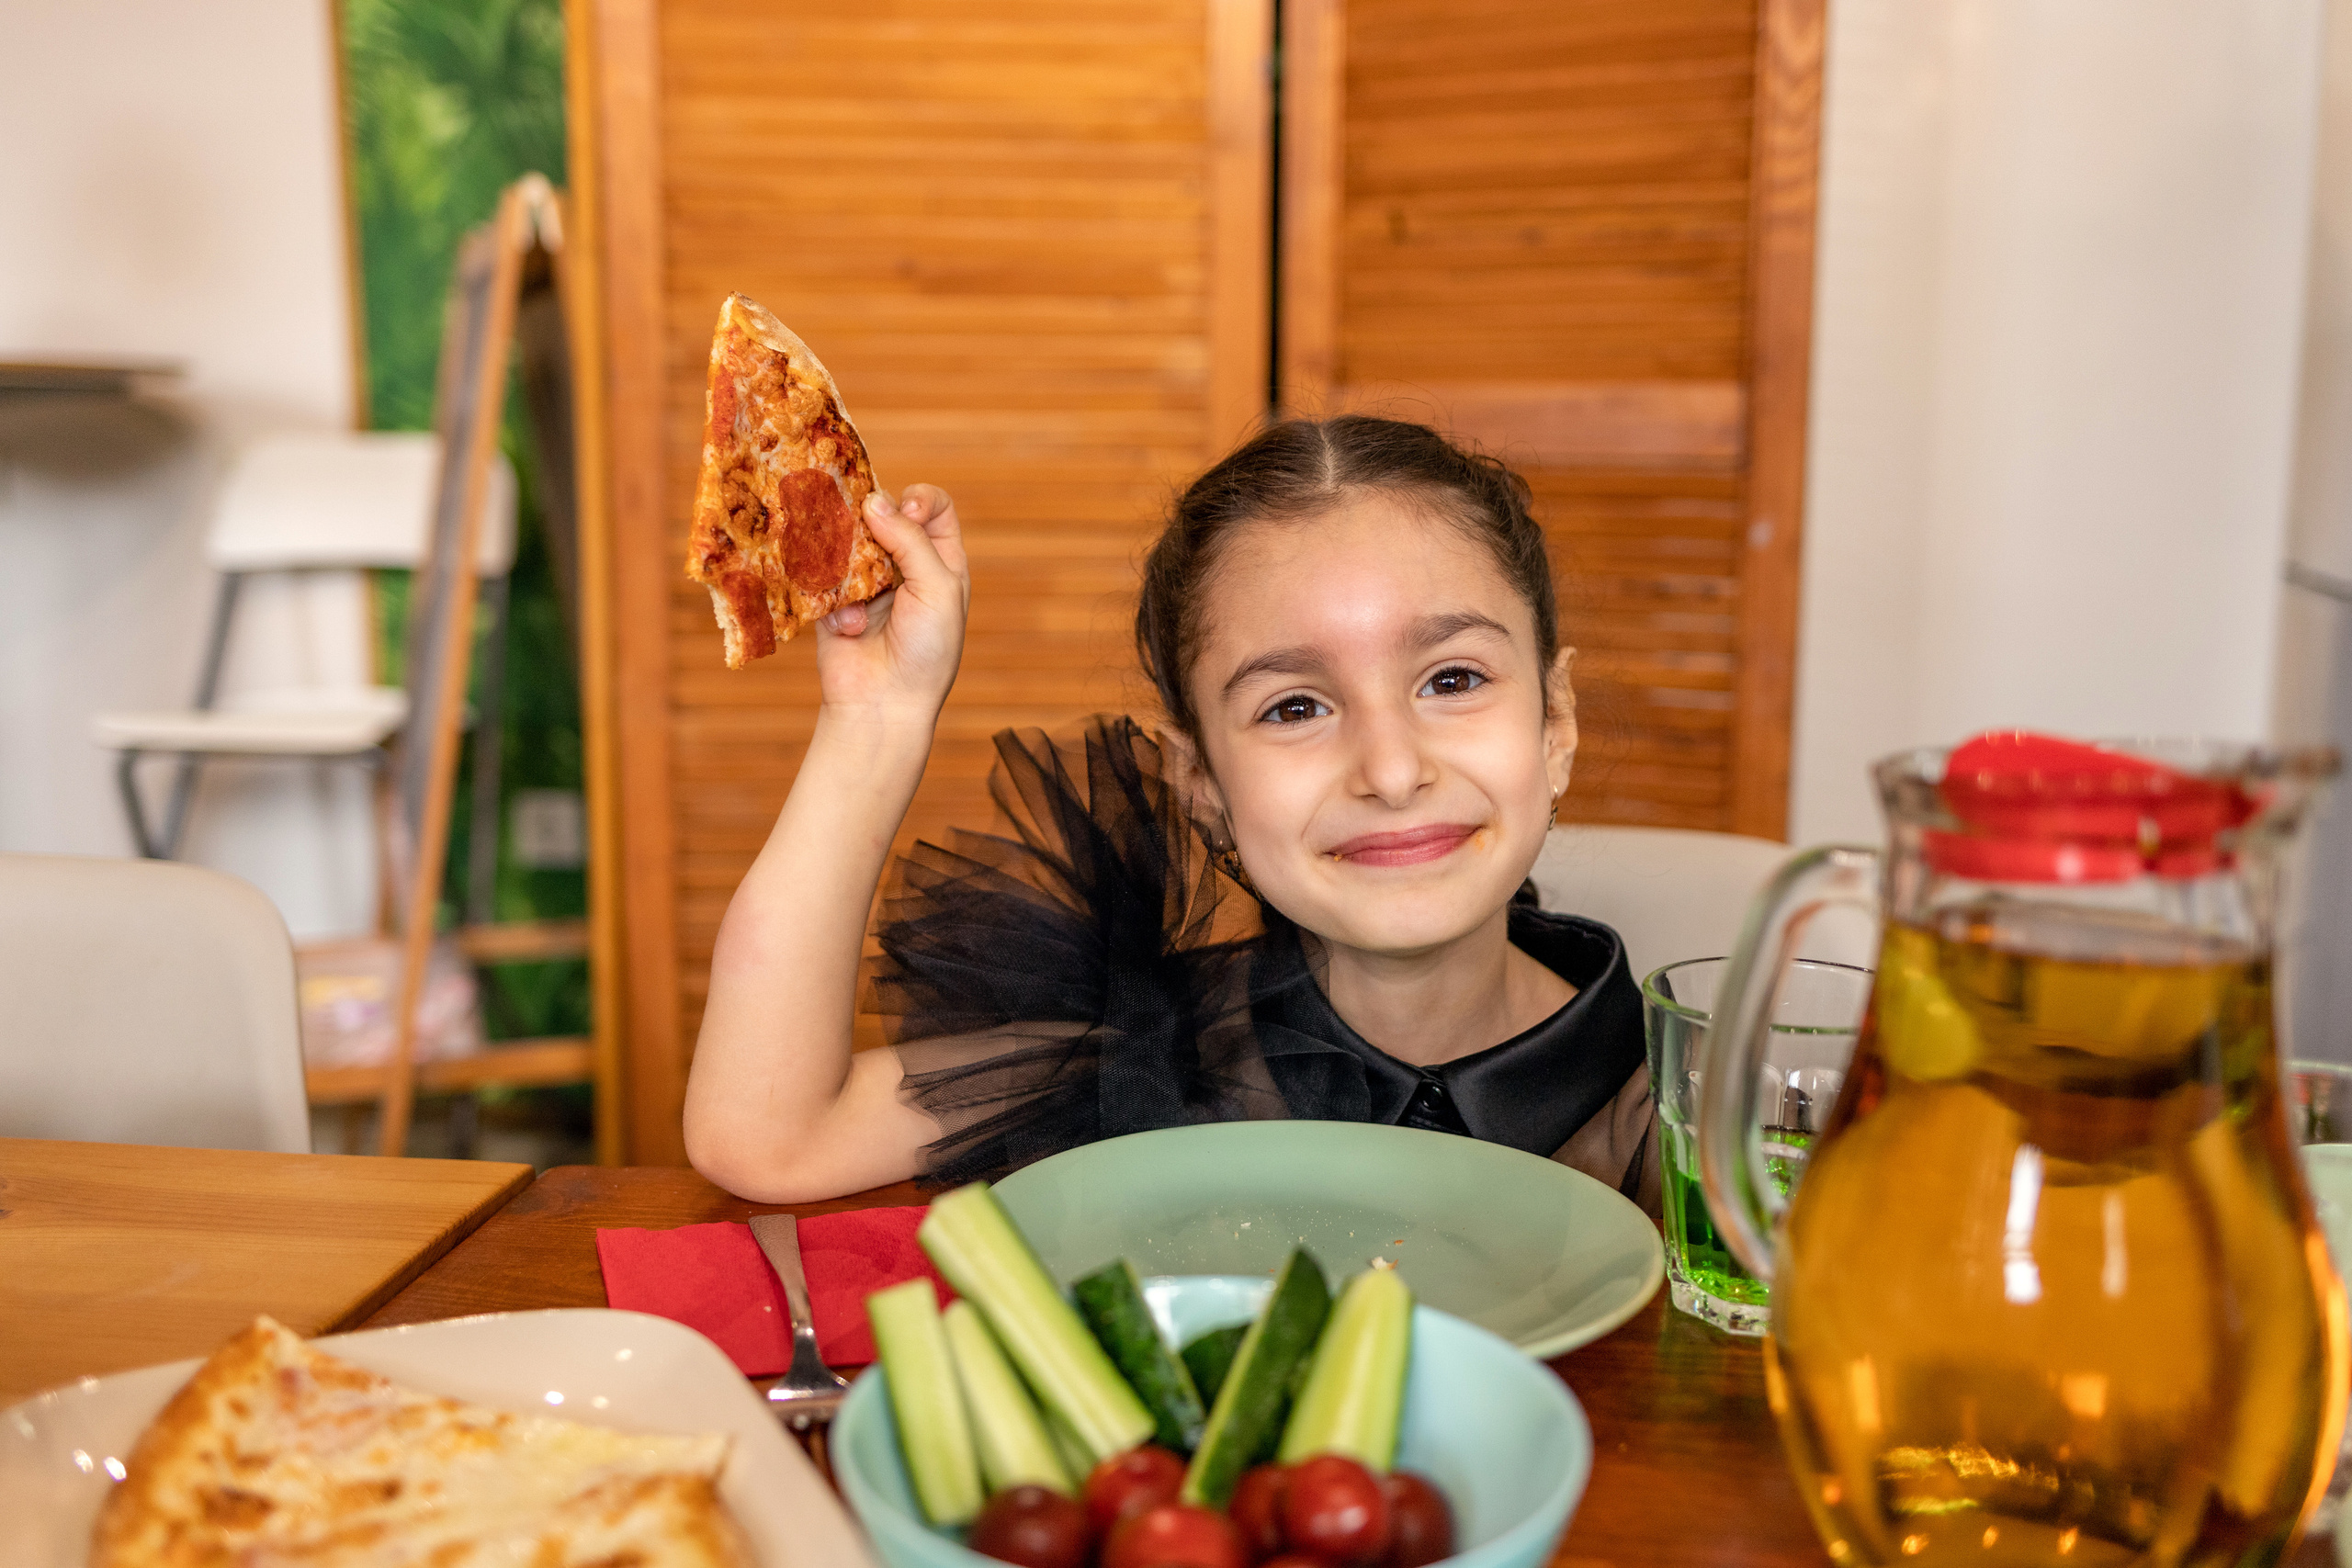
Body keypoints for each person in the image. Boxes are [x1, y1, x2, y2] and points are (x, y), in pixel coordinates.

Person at [684, 415, 1658, 1211]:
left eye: (1451, 679)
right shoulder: (1140, 1052)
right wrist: (877, 716)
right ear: (1202, 786)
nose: (1391, 770)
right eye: (1295, 707)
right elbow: (767, 1137)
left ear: (1555, 723)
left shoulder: (1697, 1101)